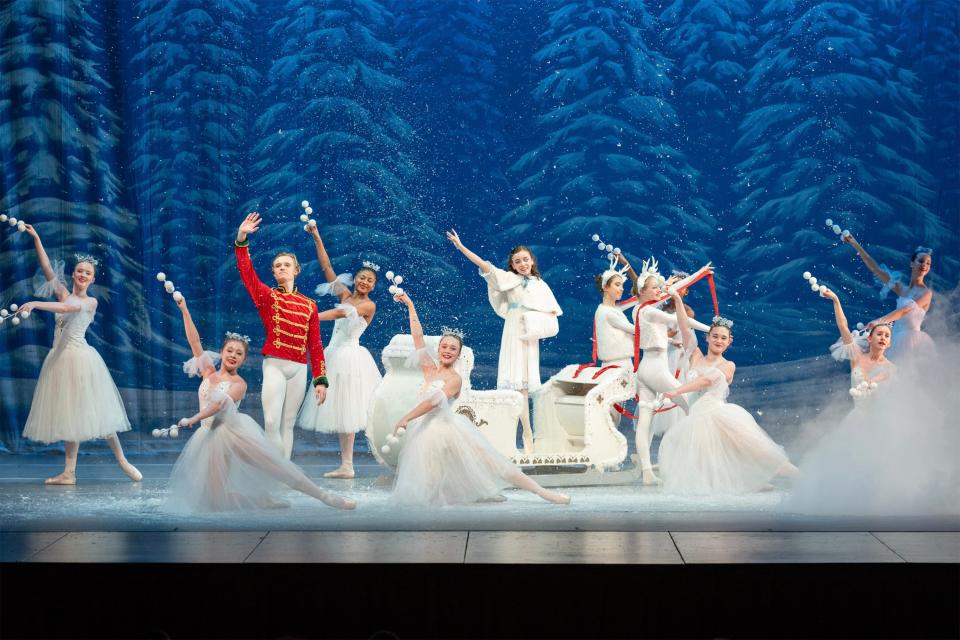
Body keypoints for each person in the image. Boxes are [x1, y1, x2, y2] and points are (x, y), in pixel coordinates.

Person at [164, 296, 355, 512]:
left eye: (239, 353)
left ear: (244, 360)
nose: (233, 356)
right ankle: (261, 500)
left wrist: (194, 418)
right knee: (213, 502)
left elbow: (218, 406)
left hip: (232, 433)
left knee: (277, 467)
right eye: (230, 351)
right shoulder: (208, 372)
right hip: (208, 437)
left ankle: (325, 497)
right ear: (221, 353)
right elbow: (195, 343)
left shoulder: (239, 384)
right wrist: (185, 310)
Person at [390, 291, 570, 507]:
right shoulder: (429, 369)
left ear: (458, 354)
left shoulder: (454, 379)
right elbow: (418, 338)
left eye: (453, 349)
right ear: (438, 349)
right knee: (434, 481)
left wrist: (406, 418)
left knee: (494, 464)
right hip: (425, 434)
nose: (448, 351)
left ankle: (544, 493)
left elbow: (434, 401)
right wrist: (410, 304)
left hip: (449, 430)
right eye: (444, 347)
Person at [18, 224, 141, 485]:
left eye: (88, 273)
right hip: (60, 360)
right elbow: (48, 270)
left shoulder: (89, 302)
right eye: (80, 272)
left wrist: (35, 303)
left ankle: (122, 461)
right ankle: (69, 472)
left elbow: (68, 308)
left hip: (81, 359)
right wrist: (37, 238)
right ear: (73, 275)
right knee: (69, 414)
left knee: (101, 414)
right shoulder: (63, 292)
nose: (83, 275)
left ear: (93, 279)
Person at [657, 304, 798, 495]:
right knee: (713, 460)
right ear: (707, 337)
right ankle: (748, 482)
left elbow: (706, 381)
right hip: (697, 419)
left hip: (719, 416)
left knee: (758, 451)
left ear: (729, 342)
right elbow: (684, 327)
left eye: (723, 338)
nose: (718, 340)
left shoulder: (728, 365)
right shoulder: (695, 356)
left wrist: (676, 391)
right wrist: (676, 298)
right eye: (715, 336)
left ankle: (802, 477)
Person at [446, 230, 562, 454]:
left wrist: (536, 323)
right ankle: (518, 434)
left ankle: (528, 434)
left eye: (525, 259)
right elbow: (486, 267)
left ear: (532, 261)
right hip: (514, 332)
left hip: (530, 334)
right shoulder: (509, 280)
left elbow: (552, 312)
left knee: (525, 387)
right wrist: (461, 247)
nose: (522, 264)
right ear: (512, 264)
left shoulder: (540, 284)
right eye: (517, 261)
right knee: (515, 386)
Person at [234, 212, 328, 460]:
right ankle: (274, 471)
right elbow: (247, 273)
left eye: (286, 264)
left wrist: (320, 380)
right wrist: (242, 238)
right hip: (275, 364)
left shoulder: (310, 305)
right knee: (272, 421)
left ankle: (284, 474)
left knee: (288, 425)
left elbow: (316, 346)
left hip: (299, 367)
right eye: (277, 266)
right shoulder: (267, 296)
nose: (282, 268)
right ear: (274, 273)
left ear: (296, 270)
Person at [297, 226, 382, 479]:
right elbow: (327, 269)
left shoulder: (368, 305)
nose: (365, 282)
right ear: (355, 279)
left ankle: (349, 464)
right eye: (362, 277)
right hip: (333, 354)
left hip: (350, 359)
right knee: (340, 410)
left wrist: (309, 317)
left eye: (370, 280)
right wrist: (317, 237)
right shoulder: (345, 294)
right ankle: (347, 465)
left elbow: (339, 313)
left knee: (350, 410)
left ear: (374, 286)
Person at [630, 259, 712, 484]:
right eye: (654, 288)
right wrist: (712, 329)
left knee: (646, 419)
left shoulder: (639, 308)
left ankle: (648, 473)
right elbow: (681, 320)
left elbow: (671, 291)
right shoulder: (650, 312)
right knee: (692, 405)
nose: (659, 290)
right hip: (656, 369)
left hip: (645, 370)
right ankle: (695, 463)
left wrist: (698, 274)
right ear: (643, 291)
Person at [843, 235, 934, 362]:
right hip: (895, 338)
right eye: (921, 261)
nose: (925, 265)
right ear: (912, 263)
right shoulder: (902, 289)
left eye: (928, 263)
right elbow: (876, 269)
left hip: (912, 342)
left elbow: (907, 309)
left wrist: (880, 321)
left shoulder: (926, 292)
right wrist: (855, 243)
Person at [821, 286, 896, 409]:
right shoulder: (856, 357)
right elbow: (843, 326)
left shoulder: (891, 368)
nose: (883, 338)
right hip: (857, 418)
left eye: (887, 336)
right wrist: (836, 300)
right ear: (869, 339)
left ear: (889, 343)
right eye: (879, 334)